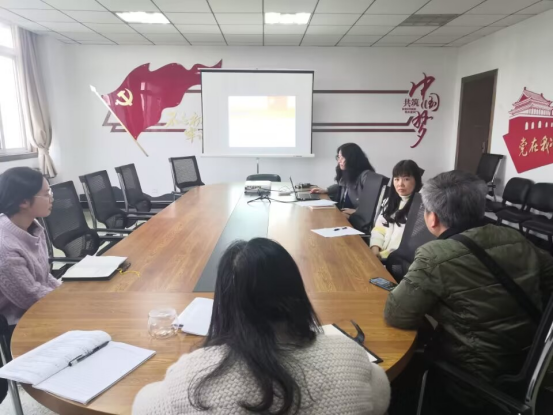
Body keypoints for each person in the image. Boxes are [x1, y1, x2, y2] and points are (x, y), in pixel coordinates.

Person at [133, 238, 390, 415]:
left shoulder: (193, 377)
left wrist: (181, 371)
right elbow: (380, 395)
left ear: (226, 301)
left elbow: (142, 406)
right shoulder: (348, 355)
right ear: (295, 291)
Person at [384, 170, 553, 413]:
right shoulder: (515, 236)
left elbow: (396, 315)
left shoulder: (434, 256)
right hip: (528, 364)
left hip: (473, 379)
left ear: (432, 219)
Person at [0, 167, 61, 403]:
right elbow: (30, 297)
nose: (51, 197)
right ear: (24, 201)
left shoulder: (33, 227)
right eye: (46, 193)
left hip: (35, 305)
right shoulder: (5, 246)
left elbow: (44, 278)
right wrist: (69, 301)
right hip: (14, 320)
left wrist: (66, 291)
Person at [370, 160, 422, 260]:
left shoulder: (420, 208)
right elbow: (379, 229)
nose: (400, 184)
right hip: (380, 256)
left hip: (396, 261)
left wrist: (382, 256)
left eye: (406, 179)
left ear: (416, 181)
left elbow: (408, 247)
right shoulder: (389, 202)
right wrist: (375, 248)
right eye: (396, 179)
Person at [310, 143, 375, 218]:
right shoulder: (348, 172)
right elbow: (341, 186)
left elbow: (373, 202)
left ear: (352, 159)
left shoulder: (366, 176)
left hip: (356, 218)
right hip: (342, 211)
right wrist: (326, 190)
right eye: (338, 157)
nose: (339, 161)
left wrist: (357, 212)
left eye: (342, 157)